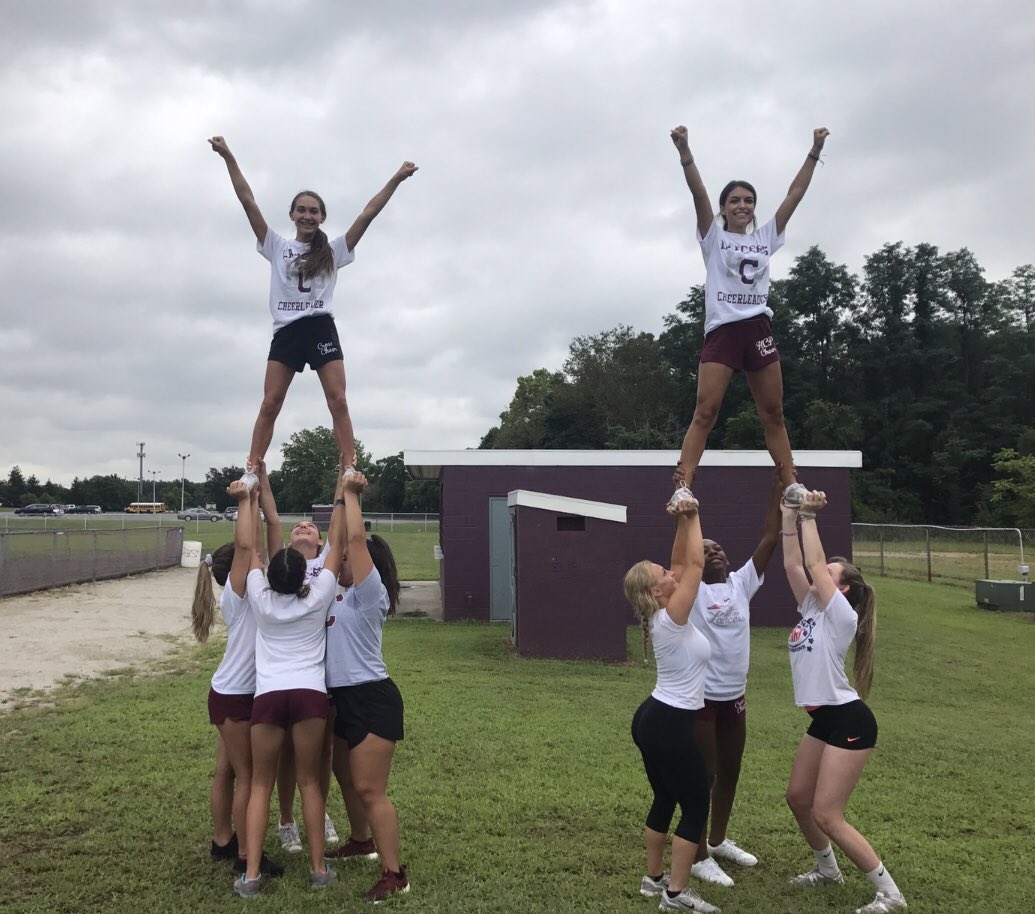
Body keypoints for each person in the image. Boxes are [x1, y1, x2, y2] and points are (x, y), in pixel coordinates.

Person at [208, 135, 418, 469]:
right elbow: (247, 200)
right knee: (270, 403)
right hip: (287, 331)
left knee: (338, 401)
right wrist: (228, 156)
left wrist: (396, 177)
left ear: (322, 218)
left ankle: (349, 465)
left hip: (320, 327)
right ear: (292, 214)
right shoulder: (276, 245)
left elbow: (368, 213)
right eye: (302, 210)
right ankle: (253, 466)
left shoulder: (334, 250)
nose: (307, 215)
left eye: (314, 211)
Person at [668, 125, 829, 503]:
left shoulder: (765, 238)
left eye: (749, 201)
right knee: (705, 411)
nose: (743, 205)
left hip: (758, 327)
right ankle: (682, 485)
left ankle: (790, 483)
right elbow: (699, 192)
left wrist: (815, 149)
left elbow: (795, 194)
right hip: (723, 330)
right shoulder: (713, 237)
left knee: (773, 412)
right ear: (725, 208)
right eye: (735, 200)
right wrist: (685, 151)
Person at [781, 490, 906, 914]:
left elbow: (813, 564)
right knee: (798, 799)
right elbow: (795, 564)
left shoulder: (840, 616)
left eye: (829, 574)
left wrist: (810, 516)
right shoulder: (811, 609)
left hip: (849, 720)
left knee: (827, 815)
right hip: (823, 720)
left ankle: (890, 894)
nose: (819, 577)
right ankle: (827, 870)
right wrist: (787, 514)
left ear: (843, 587)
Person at [233, 471, 349, 898]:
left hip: (267, 699)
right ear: (305, 574)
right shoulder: (317, 595)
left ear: (272, 573)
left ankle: (250, 878)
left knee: (260, 784)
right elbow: (335, 545)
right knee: (310, 783)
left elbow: (252, 547)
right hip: (310, 697)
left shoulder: (259, 595)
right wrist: (342, 490)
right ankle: (319, 870)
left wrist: (252, 492)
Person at [624, 491, 720, 913]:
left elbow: (681, 563)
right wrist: (696, 510)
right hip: (668, 722)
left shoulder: (663, 613)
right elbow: (695, 565)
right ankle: (677, 895)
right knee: (697, 802)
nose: (671, 572)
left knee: (666, 797)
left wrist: (682, 519)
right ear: (656, 589)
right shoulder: (673, 618)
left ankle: (653, 879)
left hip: (653, 718)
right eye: (663, 573)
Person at [687, 473, 782, 888]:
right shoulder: (690, 594)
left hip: (735, 696)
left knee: (731, 770)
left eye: (720, 549)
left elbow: (770, 538)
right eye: (707, 551)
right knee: (703, 774)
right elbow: (687, 553)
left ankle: (718, 839)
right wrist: (688, 504)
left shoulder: (742, 584)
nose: (717, 553)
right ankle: (698, 855)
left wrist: (779, 490)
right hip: (702, 698)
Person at [323, 470, 410, 902]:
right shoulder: (334, 595)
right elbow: (337, 541)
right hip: (341, 698)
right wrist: (339, 495)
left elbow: (354, 543)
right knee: (344, 774)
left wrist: (354, 495)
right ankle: (362, 841)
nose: (336, 561)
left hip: (372, 696)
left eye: (345, 560)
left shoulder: (369, 594)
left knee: (370, 789)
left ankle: (395, 874)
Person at [190, 482, 282, 879]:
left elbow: (250, 546)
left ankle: (222, 841)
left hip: (226, 692)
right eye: (253, 556)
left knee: (227, 770)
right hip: (237, 697)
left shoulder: (239, 591)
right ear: (240, 569)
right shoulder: (241, 592)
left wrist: (259, 490)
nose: (259, 556)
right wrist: (247, 498)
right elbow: (248, 546)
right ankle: (246, 854)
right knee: (249, 775)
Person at [252, 463, 339, 853]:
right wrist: (263, 480)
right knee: (287, 758)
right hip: (294, 681)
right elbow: (270, 521)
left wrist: (342, 472)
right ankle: (288, 820)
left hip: (319, 677)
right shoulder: (279, 570)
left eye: (310, 527)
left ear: (320, 544)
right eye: (297, 526)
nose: (303, 526)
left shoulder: (323, 571)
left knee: (319, 756)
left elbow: (339, 521)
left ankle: (316, 815)